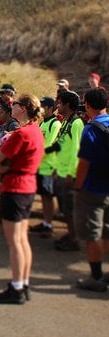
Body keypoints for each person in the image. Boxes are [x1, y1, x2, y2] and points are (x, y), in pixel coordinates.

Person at [0, 93, 44, 304]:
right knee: (22, 240)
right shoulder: (35, 131)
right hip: (27, 186)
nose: (12, 106)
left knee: (14, 242)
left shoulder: (21, 134)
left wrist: (1, 164)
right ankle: (23, 282)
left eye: (16, 104)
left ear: (24, 108)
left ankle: (17, 287)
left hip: (15, 188)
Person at [74, 88, 109, 292]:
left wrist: (78, 188)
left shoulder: (91, 128)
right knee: (107, 231)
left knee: (92, 233)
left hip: (93, 189)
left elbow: (84, 164)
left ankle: (96, 277)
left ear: (87, 105)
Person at [49, 90, 85, 251]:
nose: (58, 105)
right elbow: (62, 146)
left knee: (70, 209)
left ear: (68, 105)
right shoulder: (66, 121)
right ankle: (71, 235)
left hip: (69, 174)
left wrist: (72, 173)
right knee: (65, 209)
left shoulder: (77, 123)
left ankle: (75, 239)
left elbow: (78, 150)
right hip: (61, 171)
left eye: (60, 103)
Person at [30, 97, 61, 235]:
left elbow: (48, 145)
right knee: (43, 196)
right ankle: (45, 222)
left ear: (49, 107)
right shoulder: (42, 124)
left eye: (43, 106)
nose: (40, 109)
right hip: (40, 165)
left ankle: (49, 224)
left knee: (48, 196)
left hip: (49, 166)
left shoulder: (55, 124)